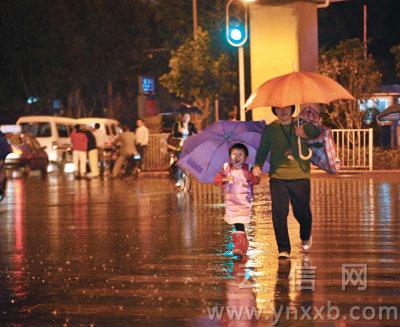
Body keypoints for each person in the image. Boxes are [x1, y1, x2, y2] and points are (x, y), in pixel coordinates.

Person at [252, 105, 321, 259]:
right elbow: (263, 149)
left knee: (301, 212)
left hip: (300, 174)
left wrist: (304, 133)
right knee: (279, 213)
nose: (283, 111)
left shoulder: (302, 124)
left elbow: (318, 132)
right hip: (278, 177)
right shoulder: (270, 129)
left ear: (292, 108)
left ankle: (305, 236)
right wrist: (257, 166)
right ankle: (284, 248)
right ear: (274, 111)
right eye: (279, 108)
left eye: (286, 108)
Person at [214, 143, 260, 258]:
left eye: (240, 154)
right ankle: (243, 242)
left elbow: (255, 181)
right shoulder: (226, 168)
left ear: (245, 157)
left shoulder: (248, 169)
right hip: (231, 202)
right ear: (230, 156)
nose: (237, 157)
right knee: (237, 223)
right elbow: (216, 180)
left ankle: (239, 246)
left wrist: (256, 175)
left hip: (243, 201)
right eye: (234, 154)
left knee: (239, 222)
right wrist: (225, 178)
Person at [171, 113, 197, 187]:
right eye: (185, 116)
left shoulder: (191, 125)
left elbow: (195, 133)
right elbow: (174, 135)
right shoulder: (177, 125)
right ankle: (178, 179)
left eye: (188, 116)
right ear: (182, 117)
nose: (186, 118)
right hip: (179, 147)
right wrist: (179, 132)